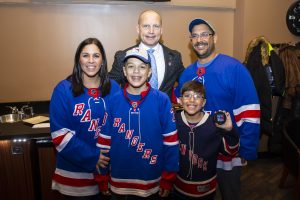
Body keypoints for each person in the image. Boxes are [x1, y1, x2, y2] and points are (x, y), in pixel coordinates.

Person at [174, 19, 260, 200]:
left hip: (227, 153)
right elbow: (177, 109)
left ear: (215, 38)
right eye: (195, 36)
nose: (200, 40)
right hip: (198, 153)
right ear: (191, 41)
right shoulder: (187, 74)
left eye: (205, 34)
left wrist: (246, 149)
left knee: (230, 194)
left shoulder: (234, 68)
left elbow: (250, 111)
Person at [97, 47, 179, 199]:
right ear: (124, 71)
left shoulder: (162, 100)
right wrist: (102, 178)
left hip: (152, 183)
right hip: (118, 183)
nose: (136, 71)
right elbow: (104, 143)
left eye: (142, 67)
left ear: (149, 72)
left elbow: (171, 143)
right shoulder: (113, 100)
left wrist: (168, 179)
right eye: (131, 66)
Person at [50, 37, 120, 200]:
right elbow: (60, 136)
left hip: (109, 176)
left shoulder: (114, 89)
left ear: (102, 60)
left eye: (96, 56)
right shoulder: (63, 90)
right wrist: (93, 156)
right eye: (85, 55)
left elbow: (119, 128)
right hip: (74, 178)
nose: (91, 60)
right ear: (78, 59)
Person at [174, 80, 239, 200]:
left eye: (197, 96)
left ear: (203, 102)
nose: (192, 100)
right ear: (180, 100)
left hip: (205, 189)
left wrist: (229, 130)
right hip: (178, 187)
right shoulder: (173, 122)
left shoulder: (214, 125)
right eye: (187, 95)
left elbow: (231, 151)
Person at [109, 9, 184, 100]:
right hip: (132, 111)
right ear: (138, 29)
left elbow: (187, 84)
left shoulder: (174, 57)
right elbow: (109, 87)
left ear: (161, 30)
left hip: (162, 113)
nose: (151, 31)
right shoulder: (123, 56)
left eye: (156, 26)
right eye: (146, 26)